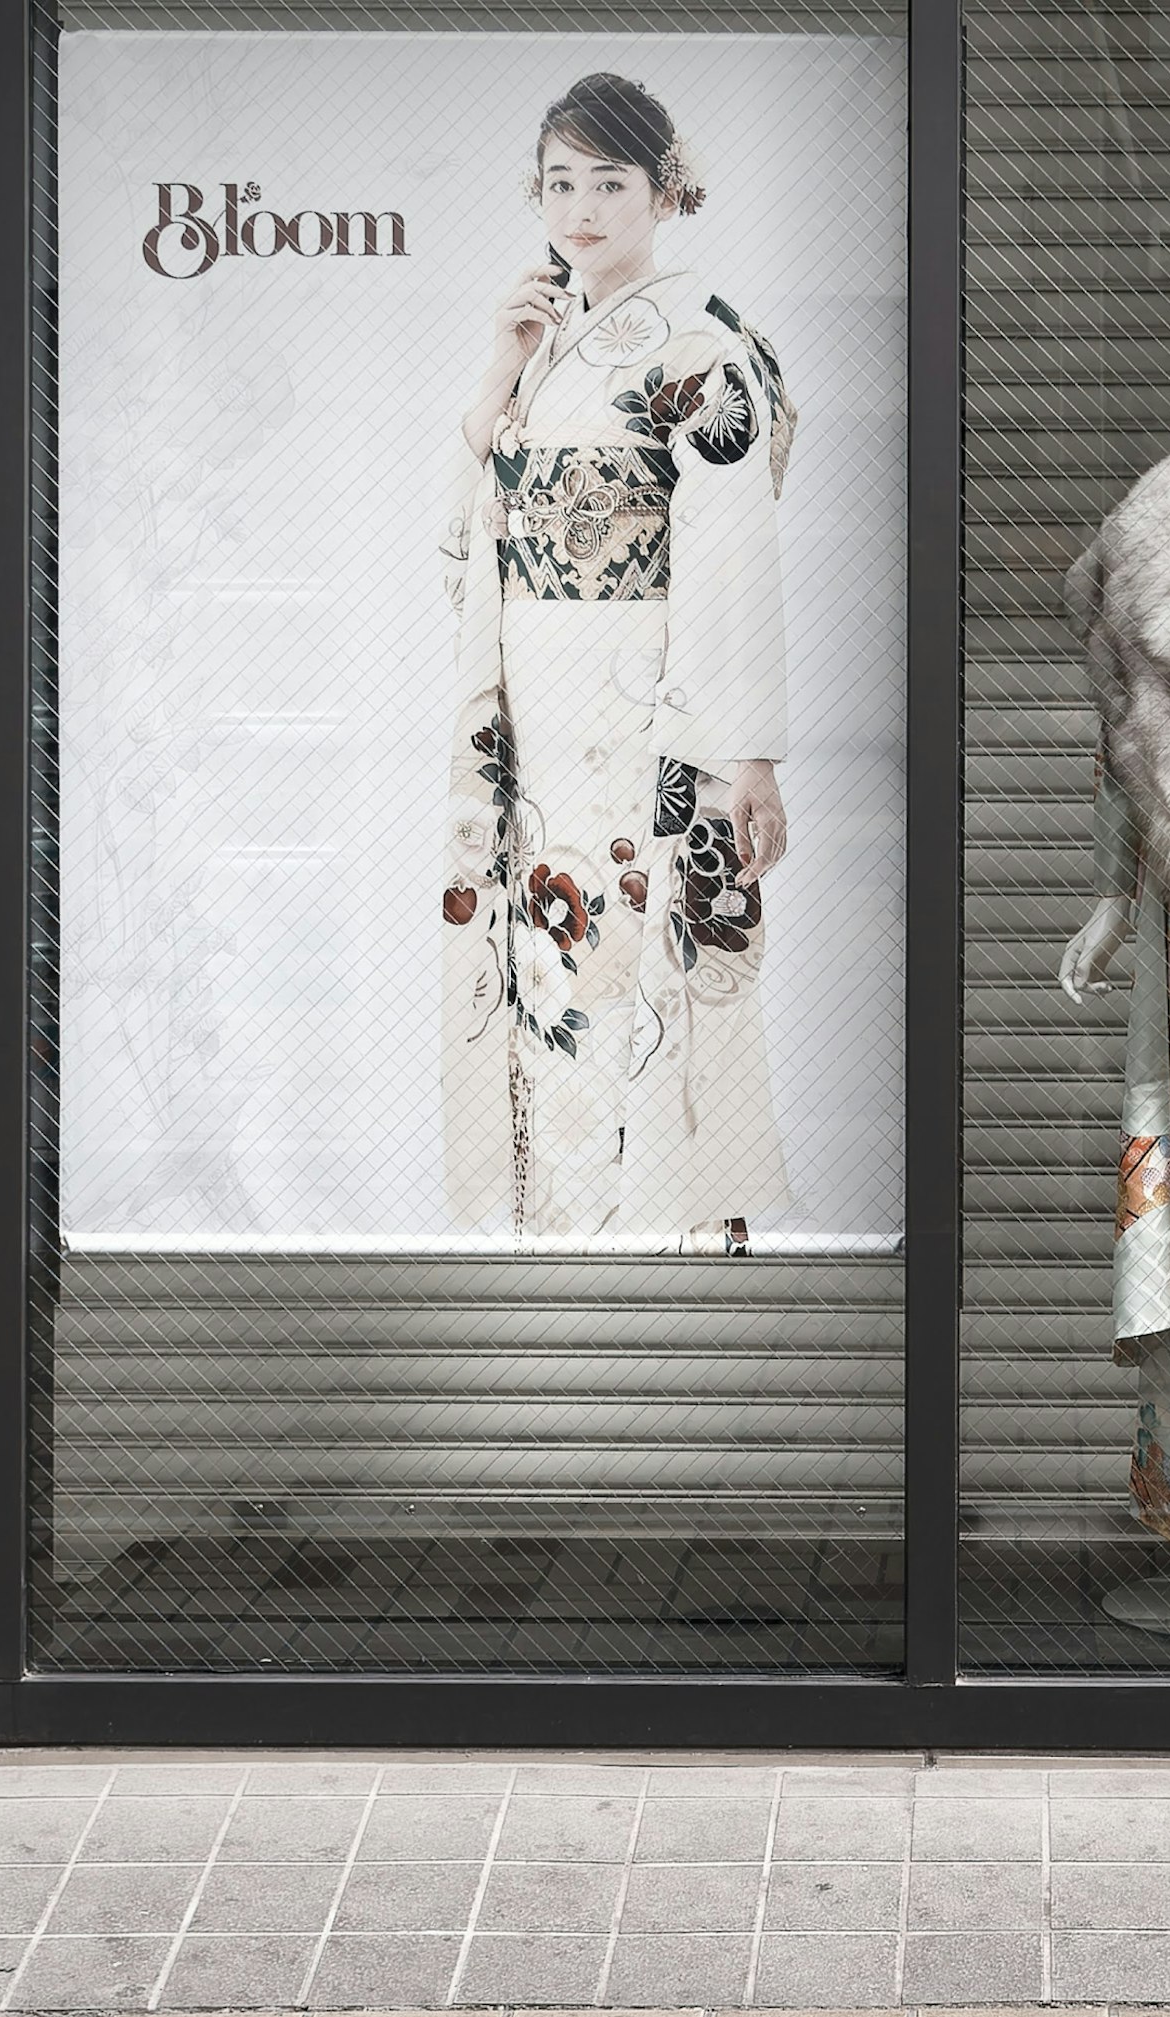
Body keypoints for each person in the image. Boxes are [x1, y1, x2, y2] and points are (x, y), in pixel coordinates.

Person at [437, 71, 798, 1244]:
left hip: (650, 704)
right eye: (560, 183)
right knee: (556, 962)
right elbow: (471, 538)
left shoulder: (696, 342)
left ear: (663, 189)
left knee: (642, 954)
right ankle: (565, 1239)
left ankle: (661, 1249)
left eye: (609, 181)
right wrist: (498, 375)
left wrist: (745, 751)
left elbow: (736, 548)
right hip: (543, 713)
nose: (581, 207)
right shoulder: (547, 341)